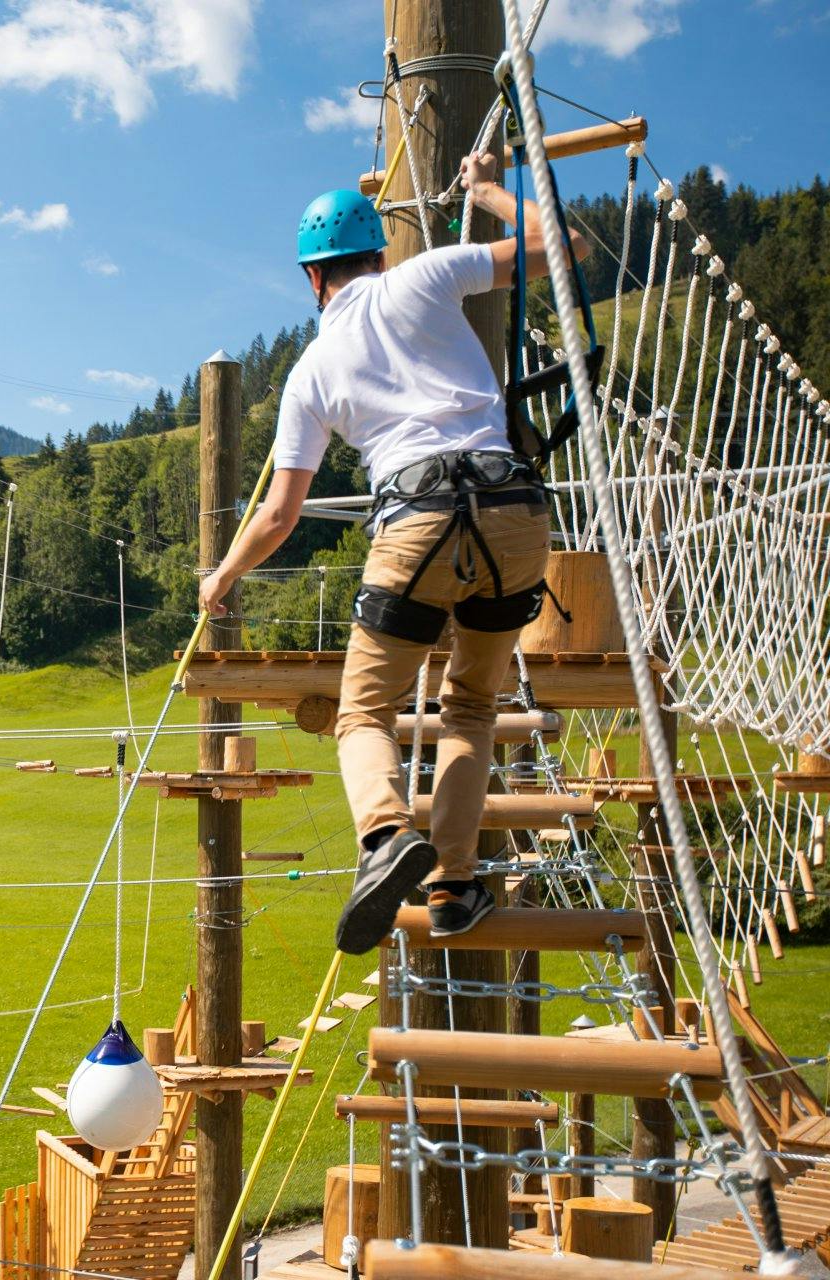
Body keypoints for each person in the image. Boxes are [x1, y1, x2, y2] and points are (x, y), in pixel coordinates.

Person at [198, 150, 587, 954]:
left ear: (313, 280)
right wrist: (489, 194)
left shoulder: (310, 372)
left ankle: (384, 836)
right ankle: (453, 884)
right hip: (515, 512)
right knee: (472, 707)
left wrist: (225, 576)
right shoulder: (426, 277)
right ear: (378, 253)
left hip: (416, 520)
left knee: (364, 713)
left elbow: (279, 512)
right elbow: (566, 248)